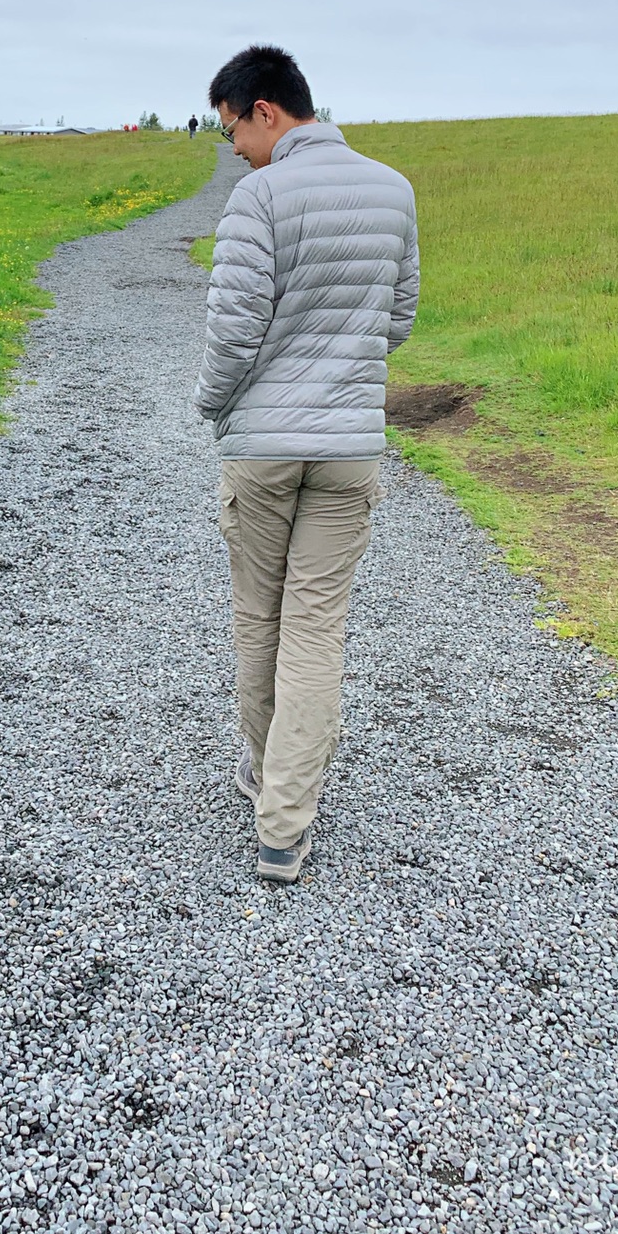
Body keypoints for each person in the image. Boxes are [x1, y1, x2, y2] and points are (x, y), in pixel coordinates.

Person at [194, 46, 418, 884]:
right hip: (350, 447)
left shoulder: (259, 196)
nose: (236, 150)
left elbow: (234, 330)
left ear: (264, 110)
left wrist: (213, 406)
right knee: (318, 626)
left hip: (263, 445)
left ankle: (266, 779)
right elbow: (398, 319)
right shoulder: (393, 189)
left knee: (260, 620)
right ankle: (285, 826)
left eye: (232, 132)